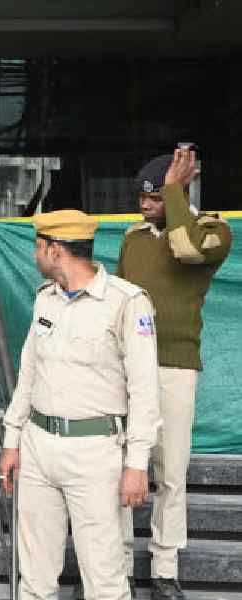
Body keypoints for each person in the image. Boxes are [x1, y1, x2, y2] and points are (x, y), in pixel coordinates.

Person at [0, 210, 161, 600]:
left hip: (96, 452)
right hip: (38, 447)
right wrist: (12, 437)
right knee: (34, 578)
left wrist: (137, 463)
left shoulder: (127, 302)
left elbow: (145, 390)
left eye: (39, 247)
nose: (35, 256)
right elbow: (29, 372)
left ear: (56, 251)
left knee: (104, 578)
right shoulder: (45, 301)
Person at [113, 148, 232, 600]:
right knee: (124, 468)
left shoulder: (213, 231)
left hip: (175, 369)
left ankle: (164, 570)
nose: (145, 204)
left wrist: (175, 193)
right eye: (142, 196)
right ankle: (120, 567)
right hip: (129, 369)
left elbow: (185, 250)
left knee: (171, 474)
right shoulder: (133, 239)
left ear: (179, 192)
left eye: (156, 197)